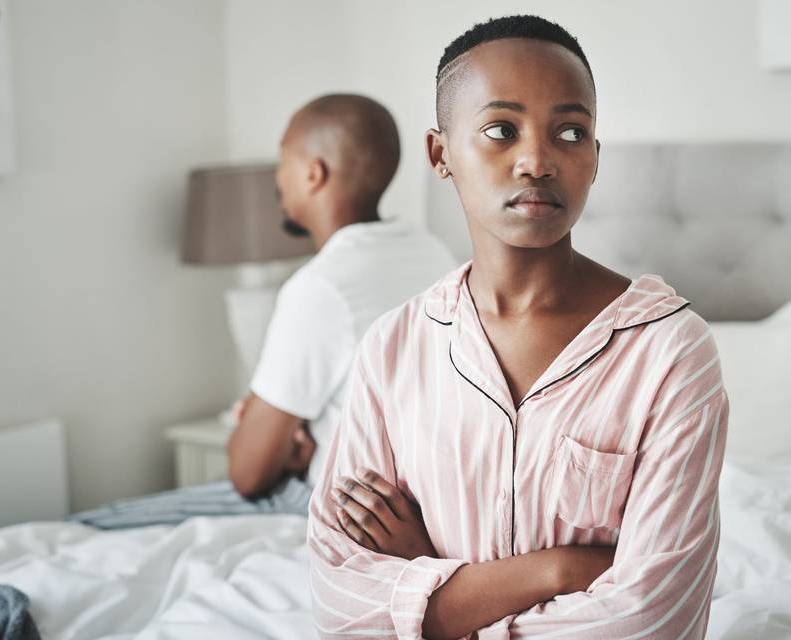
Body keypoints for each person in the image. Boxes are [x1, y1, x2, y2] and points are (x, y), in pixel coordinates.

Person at [308, 15, 728, 639]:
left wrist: (430, 585)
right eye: (501, 130)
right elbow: (338, 601)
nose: (537, 161)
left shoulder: (669, 350)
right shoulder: (394, 346)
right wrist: (556, 569)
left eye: (570, 131)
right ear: (440, 153)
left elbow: (650, 618)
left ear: (593, 158)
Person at [69, 94, 456, 529]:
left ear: (314, 174)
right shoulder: (432, 253)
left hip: (332, 505)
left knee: (89, 525)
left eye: (282, 160)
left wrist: (274, 434)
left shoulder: (322, 286)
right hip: (415, 501)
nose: (278, 177)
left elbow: (248, 474)